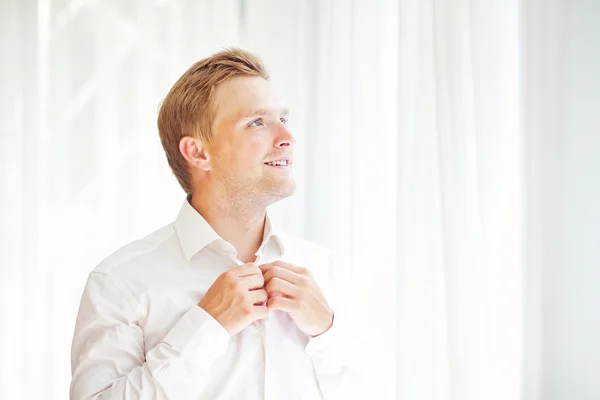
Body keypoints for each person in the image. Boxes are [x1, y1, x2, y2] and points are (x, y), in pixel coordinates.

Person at [69, 48, 362, 400]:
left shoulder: (324, 270)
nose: (287, 138)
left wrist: (326, 333)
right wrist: (205, 327)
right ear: (197, 153)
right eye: (257, 122)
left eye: (284, 119)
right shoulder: (120, 283)